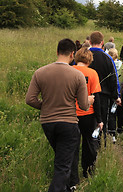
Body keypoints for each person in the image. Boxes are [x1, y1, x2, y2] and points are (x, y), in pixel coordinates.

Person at [26, 38, 94, 192]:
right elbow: (83, 106)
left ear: (57, 52)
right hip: (68, 123)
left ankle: (67, 188)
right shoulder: (77, 75)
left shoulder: (40, 72)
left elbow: (29, 99)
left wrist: (46, 106)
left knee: (62, 160)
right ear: (72, 54)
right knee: (63, 166)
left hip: (47, 123)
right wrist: (89, 100)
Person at [72, 47, 102, 179]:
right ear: (89, 60)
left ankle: (72, 176)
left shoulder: (69, 71)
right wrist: (99, 119)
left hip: (71, 114)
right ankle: (88, 171)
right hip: (88, 114)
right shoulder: (92, 73)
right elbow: (96, 98)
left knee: (72, 145)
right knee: (89, 143)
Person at [88, 31, 121, 146]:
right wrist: (116, 96)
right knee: (102, 122)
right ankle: (102, 145)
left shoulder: (84, 56)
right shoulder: (108, 58)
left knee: (88, 122)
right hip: (104, 95)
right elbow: (113, 79)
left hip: (86, 95)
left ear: (90, 42)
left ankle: (89, 144)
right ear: (102, 42)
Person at [108, 48, 123, 139]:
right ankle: (120, 128)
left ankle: (111, 131)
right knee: (120, 111)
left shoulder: (108, 64)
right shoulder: (122, 64)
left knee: (112, 111)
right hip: (121, 91)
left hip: (112, 91)